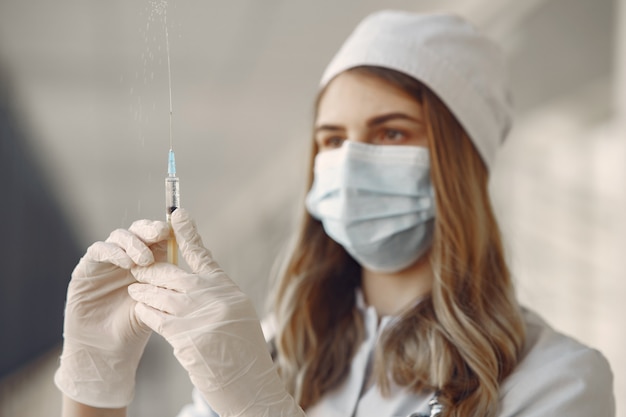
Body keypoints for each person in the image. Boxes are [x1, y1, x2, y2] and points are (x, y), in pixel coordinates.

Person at [55, 10, 615, 417]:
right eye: (331, 140)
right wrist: (95, 382)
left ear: (461, 163)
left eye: (390, 132)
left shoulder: (557, 382)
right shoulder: (271, 350)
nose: (350, 164)